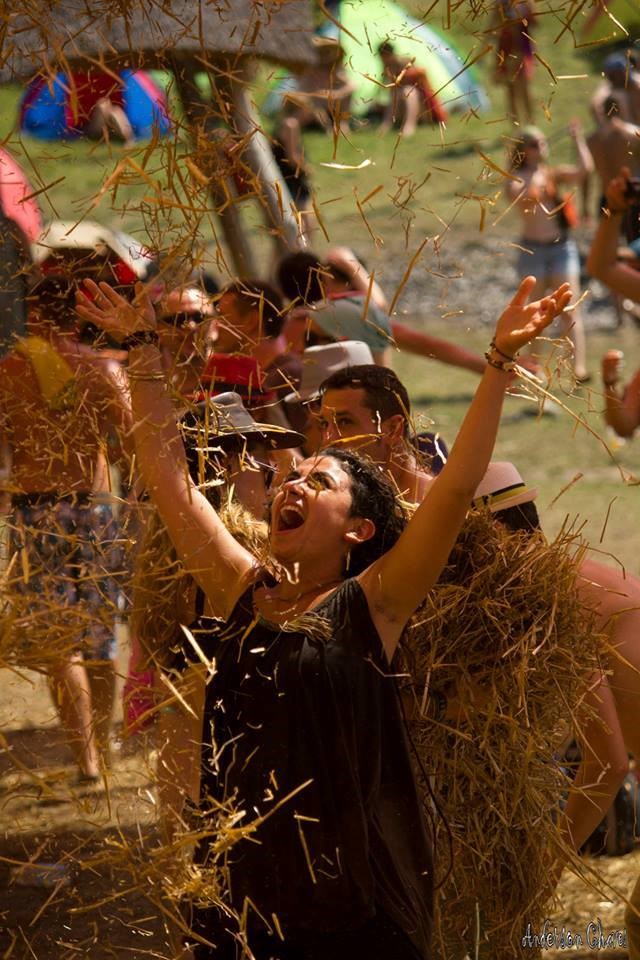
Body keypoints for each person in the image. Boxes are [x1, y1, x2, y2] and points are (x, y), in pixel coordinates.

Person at [76, 274, 570, 959]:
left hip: (353, 899)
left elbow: (456, 490)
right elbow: (169, 478)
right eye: (293, 473)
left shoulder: (375, 604)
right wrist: (140, 352)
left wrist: (497, 361)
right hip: (243, 891)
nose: (292, 481)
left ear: (359, 531)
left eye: (320, 480)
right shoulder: (241, 594)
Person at [0, 276, 132, 782]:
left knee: (60, 643)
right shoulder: (99, 368)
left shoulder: (8, 371)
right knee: (100, 638)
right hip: (93, 510)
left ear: (34, 312)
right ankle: (105, 739)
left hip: (36, 513)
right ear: (76, 315)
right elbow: (127, 441)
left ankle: (88, 761)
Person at [506, 123, 592, 382]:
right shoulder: (518, 177)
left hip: (561, 248)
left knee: (569, 309)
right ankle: (536, 369)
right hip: (533, 250)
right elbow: (518, 196)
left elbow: (584, 170)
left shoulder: (552, 173)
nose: (541, 148)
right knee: (537, 312)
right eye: (534, 144)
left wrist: (578, 139)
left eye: (543, 143)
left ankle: (579, 369)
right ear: (524, 150)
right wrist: (539, 187)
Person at [317, 364, 436, 503]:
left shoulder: (427, 505)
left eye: (344, 422)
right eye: (324, 423)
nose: (327, 439)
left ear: (393, 429)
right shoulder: (355, 492)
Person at [377, 41, 446, 136]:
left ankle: (409, 124)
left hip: (418, 100)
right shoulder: (387, 66)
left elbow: (420, 81)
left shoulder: (404, 62)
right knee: (396, 93)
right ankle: (387, 123)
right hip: (400, 102)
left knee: (408, 91)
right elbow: (383, 85)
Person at [491, 0, 536, 124]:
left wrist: (527, 10)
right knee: (510, 89)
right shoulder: (500, 3)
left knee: (524, 88)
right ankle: (517, 129)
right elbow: (493, 26)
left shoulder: (524, 2)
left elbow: (534, 22)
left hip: (521, 46)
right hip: (506, 47)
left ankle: (531, 124)